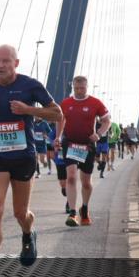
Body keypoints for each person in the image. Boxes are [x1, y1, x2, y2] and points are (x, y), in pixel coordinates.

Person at [0, 45, 62, 277]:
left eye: (5, 61)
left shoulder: (31, 85)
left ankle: (28, 233)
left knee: (21, 213)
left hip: (24, 157)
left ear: (16, 63)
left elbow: (57, 114)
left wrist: (29, 110)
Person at [55, 76, 110, 227]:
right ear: (73, 87)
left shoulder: (95, 102)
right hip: (70, 143)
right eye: (76, 88)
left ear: (87, 87)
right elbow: (60, 120)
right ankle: (72, 213)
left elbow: (107, 120)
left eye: (82, 88)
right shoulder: (66, 103)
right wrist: (58, 137)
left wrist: (98, 134)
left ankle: (84, 209)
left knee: (86, 182)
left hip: (87, 144)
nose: (79, 91)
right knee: (71, 177)